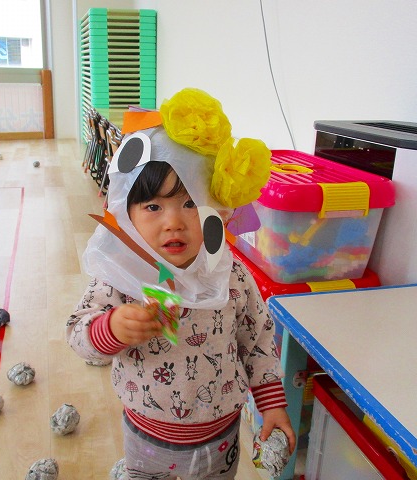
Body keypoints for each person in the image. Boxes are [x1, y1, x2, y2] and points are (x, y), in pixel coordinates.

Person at [66, 88, 296, 479]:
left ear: (217, 209)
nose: (173, 222)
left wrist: (271, 403)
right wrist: (112, 328)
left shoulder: (232, 276)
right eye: (153, 206)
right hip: (146, 437)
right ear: (126, 212)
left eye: (190, 203)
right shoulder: (121, 277)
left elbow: (257, 339)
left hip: (221, 436)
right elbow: (78, 335)